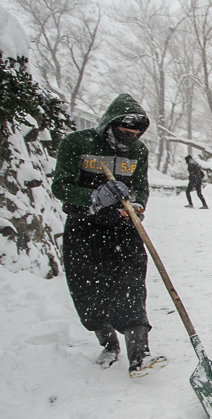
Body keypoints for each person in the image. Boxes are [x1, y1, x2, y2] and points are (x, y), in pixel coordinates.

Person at [50, 93, 158, 378]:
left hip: (124, 228)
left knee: (131, 282)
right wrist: (94, 196)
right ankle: (109, 343)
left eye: (136, 133)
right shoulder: (77, 143)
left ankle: (140, 353)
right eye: (125, 131)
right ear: (110, 124)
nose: (130, 137)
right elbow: (60, 187)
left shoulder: (138, 152)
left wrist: (137, 205)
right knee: (89, 289)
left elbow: (140, 187)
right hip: (84, 227)